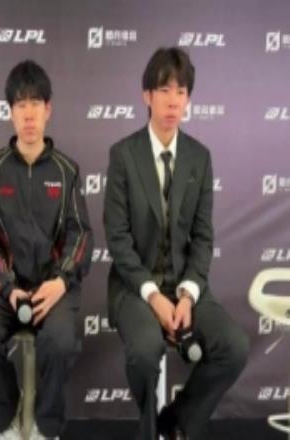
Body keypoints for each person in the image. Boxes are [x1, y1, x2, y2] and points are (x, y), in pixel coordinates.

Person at [103, 47, 249, 440]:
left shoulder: (200, 158)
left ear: (188, 99)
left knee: (234, 346)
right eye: (164, 90)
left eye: (181, 92)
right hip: (135, 287)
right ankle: (149, 431)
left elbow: (203, 236)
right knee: (145, 352)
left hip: (185, 286)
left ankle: (176, 420)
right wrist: (153, 296)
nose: (173, 101)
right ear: (146, 96)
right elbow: (117, 238)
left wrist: (186, 295)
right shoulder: (123, 155)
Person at [0, 60, 93, 440]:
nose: (29, 114)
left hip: (54, 288)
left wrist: (61, 281)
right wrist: (8, 288)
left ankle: (44, 423)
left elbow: (81, 235)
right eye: (20, 104)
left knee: (61, 342)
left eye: (36, 103)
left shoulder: (67, 171)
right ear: (10, 112)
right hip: (8, 290)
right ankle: (6, 417)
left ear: (48, 109)